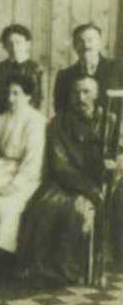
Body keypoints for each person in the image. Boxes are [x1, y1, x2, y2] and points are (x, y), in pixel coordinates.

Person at [17, 75, 121, 287]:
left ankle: (84, 266)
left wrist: (116, 162)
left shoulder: (111, 121)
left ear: (96, 94)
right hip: (67, 181)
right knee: (46, 208)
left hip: (101, 179)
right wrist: (89, 190)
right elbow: (59, 165)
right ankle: (48, 269)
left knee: (98, 206)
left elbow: (119, 152)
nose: (80, 98)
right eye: (76, 93)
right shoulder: (58, 123)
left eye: (86, 92)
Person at [0, 74, 46, 270]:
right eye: (8, 93)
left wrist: (14, 185)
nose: (10, 98)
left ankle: (4, 259)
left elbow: (34, 161)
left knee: (6, 206)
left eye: (16, 93)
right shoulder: (1, 119)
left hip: (27, 173)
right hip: (2, 167)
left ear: (28, 96)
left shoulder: (36, 121)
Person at [54, 23, 123, 114]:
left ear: (100, 44)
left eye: (90, 40)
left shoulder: (118, 67)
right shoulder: (64, 76)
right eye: (80, 41)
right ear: (74, 46)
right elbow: (60, 110)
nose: (86, 45)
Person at [0, 24, 44, 118]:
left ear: (27, 44)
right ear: (5, 46)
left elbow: (38, 101)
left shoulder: (37, 70)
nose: (14, 47)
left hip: (28, 120)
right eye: (10, 43)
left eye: (18, 42)